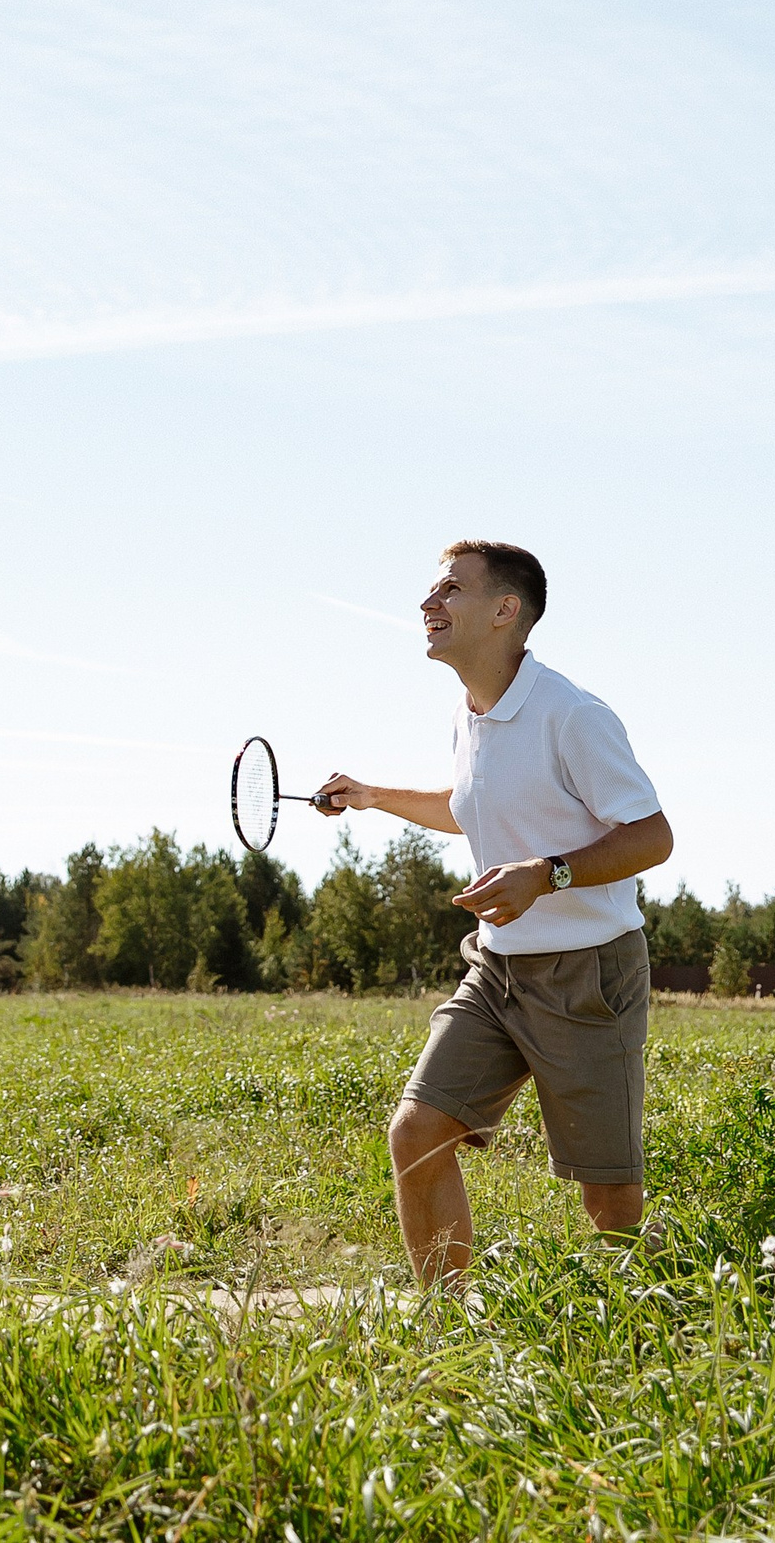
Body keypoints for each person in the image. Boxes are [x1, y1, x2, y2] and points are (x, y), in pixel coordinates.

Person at [317, 541, 672, 1285]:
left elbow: (652, 835)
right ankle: (450, 1334)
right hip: (495, 971)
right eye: (430, 590)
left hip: (588, 976)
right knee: (417, 1131)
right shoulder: (468, 716)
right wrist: (374, 794)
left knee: (608, 1199)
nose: (428, 603)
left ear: (506, 610)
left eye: (450, 588)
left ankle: (644, 1331)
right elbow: (468, 805)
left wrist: (548, 875)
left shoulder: (572, 715)